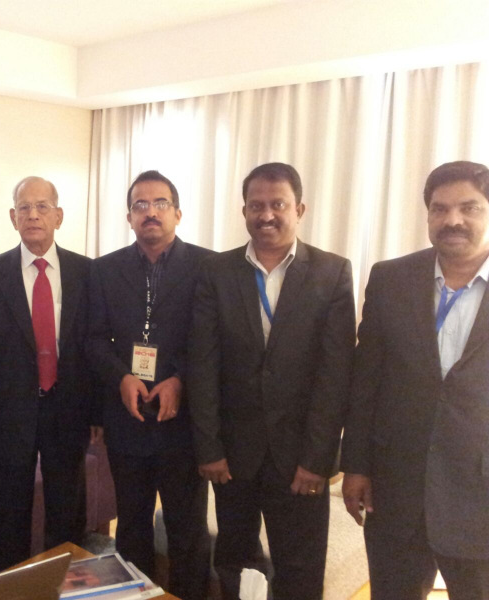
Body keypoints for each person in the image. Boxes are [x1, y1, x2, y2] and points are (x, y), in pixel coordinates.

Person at [188, 162, 355, 599]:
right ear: (243, 210)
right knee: (234, 563)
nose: (266, 215)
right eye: (256, 205)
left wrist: (318, 459)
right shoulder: (217, 271)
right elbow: (202, 366)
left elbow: (335, 375)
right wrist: (209, 448)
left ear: (299, 209)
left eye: (278, 204)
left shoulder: (332, 272)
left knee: (300, 568)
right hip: (233, 457)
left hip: (300, 458)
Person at [341, 160, 489, 600]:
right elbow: (366, 379)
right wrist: (356, 464)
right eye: (439, 209)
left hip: (478, 493)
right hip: (395, 487)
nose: (452, 220)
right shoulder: (392, 279)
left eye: (469, 208)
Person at [87, 170, 211, 600]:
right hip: (128, 419)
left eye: (160, 203)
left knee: (187, 530)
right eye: (140, 205)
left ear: (178, 213)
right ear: (129, 217)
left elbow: (213, 341)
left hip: (184, 423)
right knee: (132, 528)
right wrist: (121, 376)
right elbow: (93, 339)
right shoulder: (104, 270)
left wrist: (180, 379)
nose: (150, 212)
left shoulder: (208, 267)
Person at [0, 176, 98, 571]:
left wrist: (97, 413)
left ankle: (62, 585)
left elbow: (94, 348)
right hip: (9, 414)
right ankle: (11, 587)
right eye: (24, 208)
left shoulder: (87, 272)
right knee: (8, 514)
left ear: (59, 216)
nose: (33, 215)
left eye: (42, 207)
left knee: (67, 512)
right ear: (13, 217)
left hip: (68, 409)